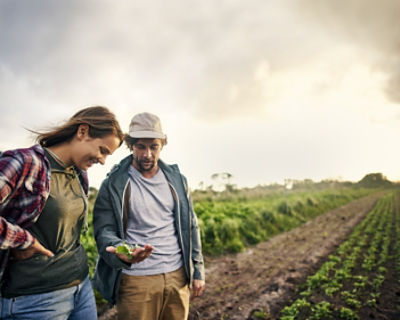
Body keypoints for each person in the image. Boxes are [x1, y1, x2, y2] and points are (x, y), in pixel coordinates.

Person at [0, 106, 134, 320]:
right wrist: (22, 240)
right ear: (82, 132)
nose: (102, 160)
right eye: (102, 150)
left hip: (81, 288)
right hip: (35, 299)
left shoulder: (79, 173)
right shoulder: (25, 162)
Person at [92, 112, 206, 320]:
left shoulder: (178, 180)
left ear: (162, 144)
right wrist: (118, 249)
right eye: (140, 147)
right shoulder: (113, 184)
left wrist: (197, 271)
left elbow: (191, 225)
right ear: (130, 145)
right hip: (136, 280)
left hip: (177, 276)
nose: (147, 154)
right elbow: (104, 230)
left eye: (153, 146)